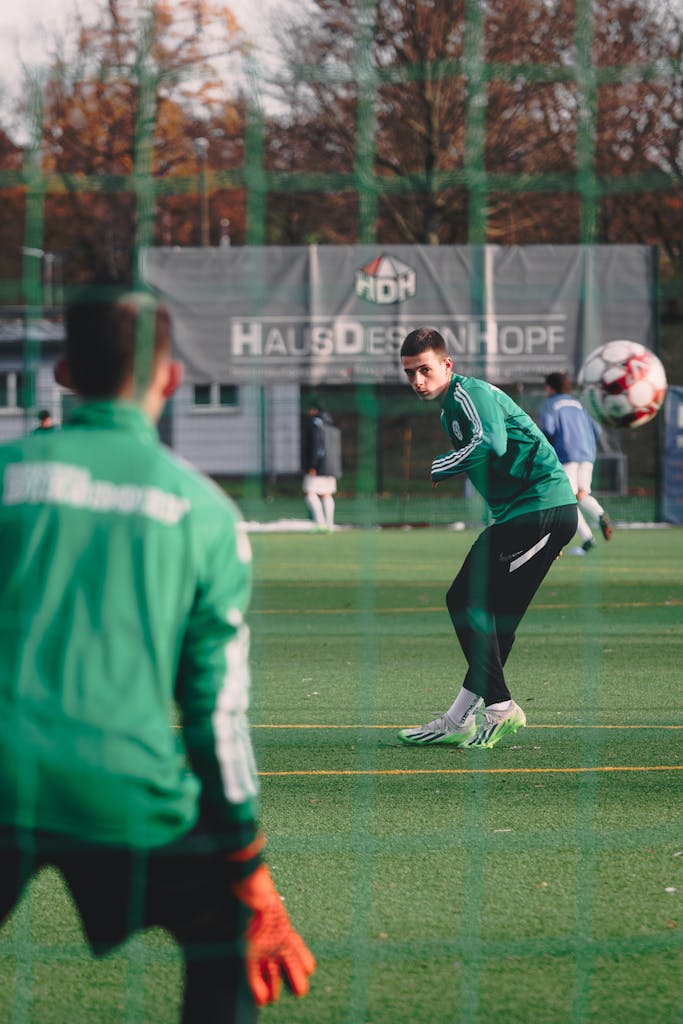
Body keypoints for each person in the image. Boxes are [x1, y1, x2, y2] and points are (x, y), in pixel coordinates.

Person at [0, 288, 315, 1022]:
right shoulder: (204, 512)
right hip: (124, 787)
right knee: (231, 936)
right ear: (171, 379)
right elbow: (214, 711)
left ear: (66, 373)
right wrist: (247, 864)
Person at [397, 327, 578, 750]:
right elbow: (500, 469)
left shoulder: (468, 395)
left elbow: (491, 444)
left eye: (425, 370)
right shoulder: (449, 412)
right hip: (532, 515)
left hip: (539, 510)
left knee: (464, 599)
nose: (417, 381)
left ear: (447, 365)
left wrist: (443, 465)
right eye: (409, 374)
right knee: (494, 618)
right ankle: (460, 718)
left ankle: (499, 708)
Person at [540, 371, 613, 552]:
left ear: (550, 387)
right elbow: (596, 429)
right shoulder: (580, 404)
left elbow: (548, 430)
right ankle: (599, 514)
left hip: (566, 455)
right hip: (587, 454)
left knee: (567, 501)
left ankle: (587, 538)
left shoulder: (550, 404)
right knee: (581, 495)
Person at [302, 403, 339, 530]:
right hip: (332, 467)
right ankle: (330, 524)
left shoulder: (316, 427)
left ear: (314, 410)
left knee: (310, 493)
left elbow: (318, 448)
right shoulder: (333, 428)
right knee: (327, 494)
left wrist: (313, 465)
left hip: (318, 467)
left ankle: (320, 523)